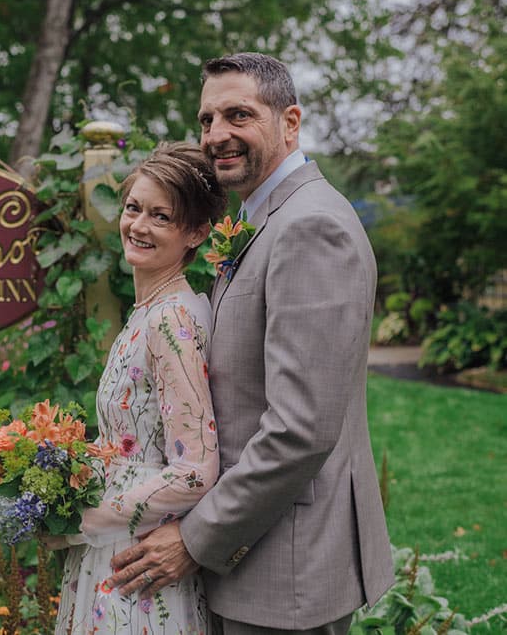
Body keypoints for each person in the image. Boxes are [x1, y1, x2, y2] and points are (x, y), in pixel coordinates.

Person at [106, 52, 395, 634]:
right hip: (256, 553)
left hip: (286, 567)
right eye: (207, 120)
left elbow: (301, 429)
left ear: (290, 121)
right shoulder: (264, 220)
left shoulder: (312, 227)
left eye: (238, 115)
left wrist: (194, 539)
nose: (217, 135)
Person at [46, 142, 228, 633]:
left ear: (195, 232)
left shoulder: (171, 321)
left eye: (161, 216)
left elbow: (194, 470)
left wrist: (77, 521)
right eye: (133, 208)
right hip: (117, 544)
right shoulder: (150, 312)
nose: (138, 226)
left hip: (137, 567)